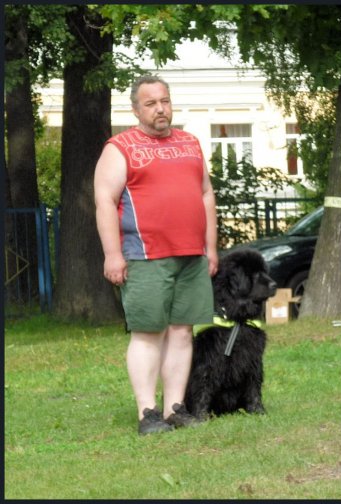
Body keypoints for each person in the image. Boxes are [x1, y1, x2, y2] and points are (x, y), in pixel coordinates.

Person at [94, 75, 219, 435]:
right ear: (136, 109)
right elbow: (105, 200)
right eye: (150, 103)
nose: (160, 108)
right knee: (148, 333)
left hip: (191, 256)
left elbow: (206, 194)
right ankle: (147, 413)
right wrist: (112, 254)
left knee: (182, 332)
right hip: (144, 255)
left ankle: (174, 409)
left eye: (164, 101)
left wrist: (210, 248)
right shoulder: (120, 147)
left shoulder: (190, 143)